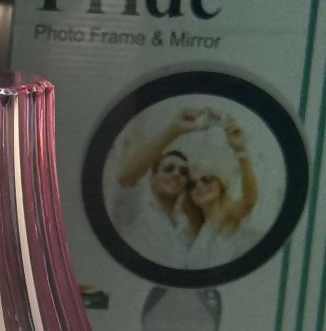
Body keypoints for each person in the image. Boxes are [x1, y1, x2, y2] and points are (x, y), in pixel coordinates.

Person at [111, 107, 219, 268]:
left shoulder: (184, 224)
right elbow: (126, 178)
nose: (176, 174)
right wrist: (175, 130)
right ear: (153, 178)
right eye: (168, 168)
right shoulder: (136, 208)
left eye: (183, 172)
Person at [184, 117, 260, 269]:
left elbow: (249, 199)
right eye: (191, 184)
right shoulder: (202, 230)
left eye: (206, 179)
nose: (199, 185)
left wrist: (240, 151)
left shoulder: (228, 216)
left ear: (221, 185)